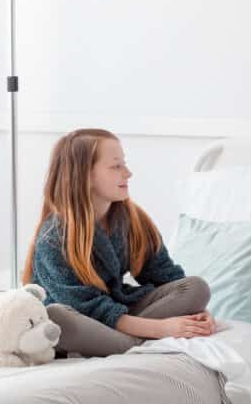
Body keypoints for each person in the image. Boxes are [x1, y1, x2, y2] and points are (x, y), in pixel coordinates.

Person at [23, 128, 216, 357]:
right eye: (116, 166)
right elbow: (86, 308)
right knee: (56, 315)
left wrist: (200, 314)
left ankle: (123, 343)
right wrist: (163, 328)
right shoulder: (54, 236)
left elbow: (166, 276)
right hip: (81, 319)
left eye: (124, 164)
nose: (128, 173)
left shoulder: (132, 219)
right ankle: (135, 341)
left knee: (196, 288)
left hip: (117, 311)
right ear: (84, 175)